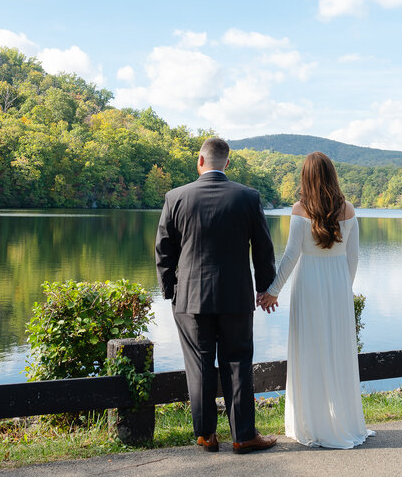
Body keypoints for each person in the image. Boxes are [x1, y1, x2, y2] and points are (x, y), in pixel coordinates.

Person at [155, 137, 279, 454]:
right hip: (235, 297)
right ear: (227, 162)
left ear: (200, 161)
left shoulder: (176, 197)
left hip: (190, 298)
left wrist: (171, 291)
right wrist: (264, 288)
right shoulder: (248, 197)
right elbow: (264, 250)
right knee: (237, 363)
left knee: (198, 364)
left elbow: (163, 251)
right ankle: (243, 436)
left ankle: (206, 435)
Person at [258, 151, 373, 449]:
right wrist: (342, 289)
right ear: (333, 175)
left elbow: (291, 255)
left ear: (306, 177)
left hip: (308, 285)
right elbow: (354, 256)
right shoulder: (347, 210)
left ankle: (311, 423)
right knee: (337, 351)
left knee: (309, 350)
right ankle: (342, 422)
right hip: (337, 286)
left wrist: (273, 291)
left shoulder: (300, 209)